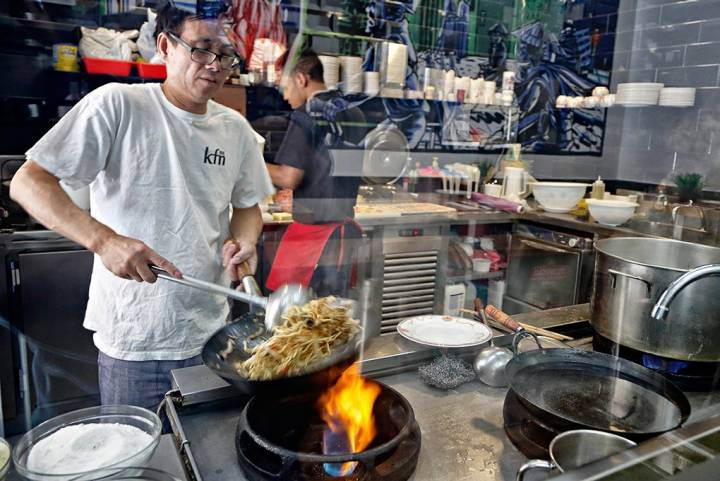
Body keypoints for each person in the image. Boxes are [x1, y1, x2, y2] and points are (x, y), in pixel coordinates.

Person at [9, 4, 274, 410]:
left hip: (214, 334)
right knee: (142, 465)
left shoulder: (235, 128)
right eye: (202, 49)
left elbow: (247, 206)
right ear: (166, 46)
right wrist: (105, 241)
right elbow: (29, 182)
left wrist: (245, 241)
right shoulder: (118, 105)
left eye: (225, 54)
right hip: (136, 339)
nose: (216, 65)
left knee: (207, 462)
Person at [265, 49, 366, 297]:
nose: (286, 97)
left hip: (314, 238)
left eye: (285, 87)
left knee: (298, 320)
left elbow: (289, 177)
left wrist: (248, 161)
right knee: (331, 316)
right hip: (344, 235)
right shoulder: (354, 113)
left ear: (301, 79)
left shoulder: (307, 115)